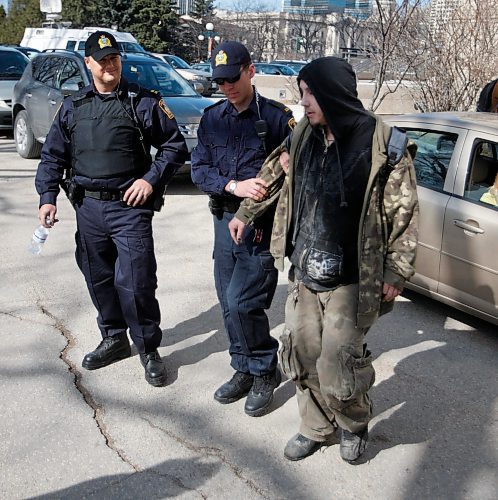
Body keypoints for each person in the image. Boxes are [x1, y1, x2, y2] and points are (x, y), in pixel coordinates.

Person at [228, 57, 419, 462]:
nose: (303, 103)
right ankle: (315, 425)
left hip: (353, 277)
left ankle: (352, 423)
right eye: (302, 93)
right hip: (306, 268)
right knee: (300, 351)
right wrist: (246, 212)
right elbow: (273, 174)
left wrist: (396, 271)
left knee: (339, 361)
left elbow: (403, 212)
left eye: (309, 93)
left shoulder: (383, 145)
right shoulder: (303, 134)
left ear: (333, 92)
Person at [35, 31, 188, 387]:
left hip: (129, 207)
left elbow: (173, 146)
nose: (110, 65)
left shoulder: (142, 103)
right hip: (88, 207)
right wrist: (47, 196)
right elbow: (52, 156)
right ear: (88, 63)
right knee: (99, 278)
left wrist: (150, 179)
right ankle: (115, 337)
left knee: (135, 281)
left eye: (114, 58)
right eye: (102, 59)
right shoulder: (73, 107)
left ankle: (148, 347)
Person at [191, 41, 295, 417]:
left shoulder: (278, 118)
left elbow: (293, 172)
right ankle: (243, 367)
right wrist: (234, 186)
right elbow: (199, 169)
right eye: (219, 82)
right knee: (226, 301)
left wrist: (257, 193)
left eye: (232, 79)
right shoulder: (212, 118)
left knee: (244, 302)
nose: (226, 88)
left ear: (251, 71)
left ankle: (266, 370)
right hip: (223, 219)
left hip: (260, 225)